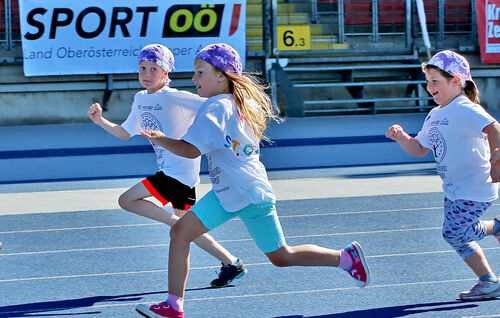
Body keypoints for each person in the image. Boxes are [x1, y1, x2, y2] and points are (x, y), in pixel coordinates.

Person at [136, 43, 371, 318]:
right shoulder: (231, 102)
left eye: (200, 72)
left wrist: (162, 139)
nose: (194, 79)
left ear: (221, 76)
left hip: (247, 193)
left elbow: (191, 149)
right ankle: (174, 305)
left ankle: (345, 258)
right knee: (182, 233)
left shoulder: (217, 106)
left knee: (281, 256)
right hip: (229, 193)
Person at [87, 44, 247, 288]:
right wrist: (100, 120)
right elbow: (124, 133)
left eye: (154, 68)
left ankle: (176, 224)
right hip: (172, 173)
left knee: (127, 200)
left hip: (179, 173)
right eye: (142, 68)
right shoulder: (140, 99)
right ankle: (231, 262)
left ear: (166, 73)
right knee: (190, 230)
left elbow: (213, 103)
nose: (147, 74)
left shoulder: (173, 96)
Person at [386, 50, 500, 300]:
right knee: (458, 237)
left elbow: (494, 128)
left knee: (453, 232)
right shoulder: (435, 115)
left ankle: (496, 227)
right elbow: (418, 149)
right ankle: (489, 281)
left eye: (435, 80)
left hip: (476, 188)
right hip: (454, 189)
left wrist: (497, 155)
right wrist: (402, 137)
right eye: (428, 81)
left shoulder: (464, 108)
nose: (429, 87)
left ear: (456, 82)